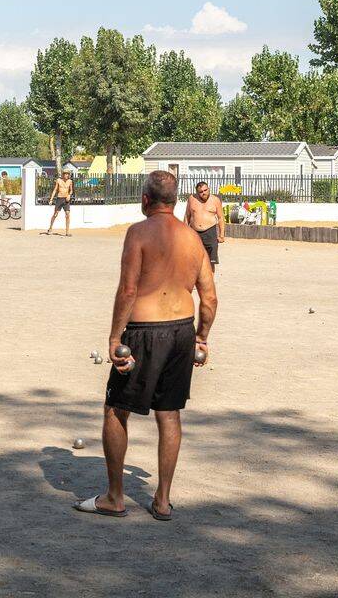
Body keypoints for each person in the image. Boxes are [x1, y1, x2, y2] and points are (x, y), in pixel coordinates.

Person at [73, 170, 217, 521]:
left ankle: (114, 497)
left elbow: (128, 290)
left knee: (116, 409)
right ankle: (163, 501)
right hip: (182, 331)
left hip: (143, 331)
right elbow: (209, 297)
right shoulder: (193, 239)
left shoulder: (137, 233)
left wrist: (113, 337)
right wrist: (201, 336)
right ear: (175, 201)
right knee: (169, 414)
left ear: (145, 200)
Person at [184, 181, 225, 274]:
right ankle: (194, 283)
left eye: (205, 190)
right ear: (197, 192)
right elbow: (187, 216)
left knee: (211, 261)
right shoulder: (191, 199)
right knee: (194, 260)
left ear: (208, 189)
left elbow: (221, 218)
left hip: (210, 232)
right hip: (195, 232)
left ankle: (210, 285)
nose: (204, 193)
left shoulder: (215, 200)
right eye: (201, 192)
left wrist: (221, 235)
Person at [44, 171, 73, 236]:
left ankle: (67, 232)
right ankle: (50, 228)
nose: (67, 175)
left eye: (68, 174)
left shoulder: (70, 181)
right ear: (63, 175)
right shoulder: (58, 180)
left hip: (66, 200)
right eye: (66, 174)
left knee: (67, 214)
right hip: (59, 199)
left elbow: (71, 190)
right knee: (55, 214)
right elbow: (55, 190)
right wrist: (51, 199)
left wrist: (69, 195)